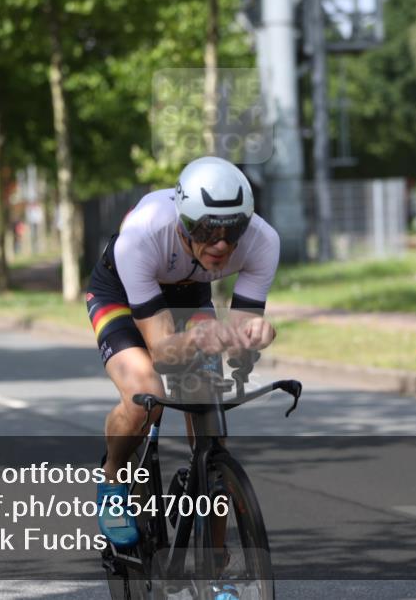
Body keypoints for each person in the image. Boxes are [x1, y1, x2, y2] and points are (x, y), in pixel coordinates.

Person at [86, 156, 280, 548]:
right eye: (207, 230)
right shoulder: (144, 233)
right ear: (183, 223)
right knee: (146, 394)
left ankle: (216, 561)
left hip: (189, 296)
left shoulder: (263, 241)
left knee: (208, 402)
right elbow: (162, 350)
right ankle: (112, 478)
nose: (221, 244)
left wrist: (256, 331)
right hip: (120, 294)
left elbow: (242, 327)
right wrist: (198, 340)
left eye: (233, 230)